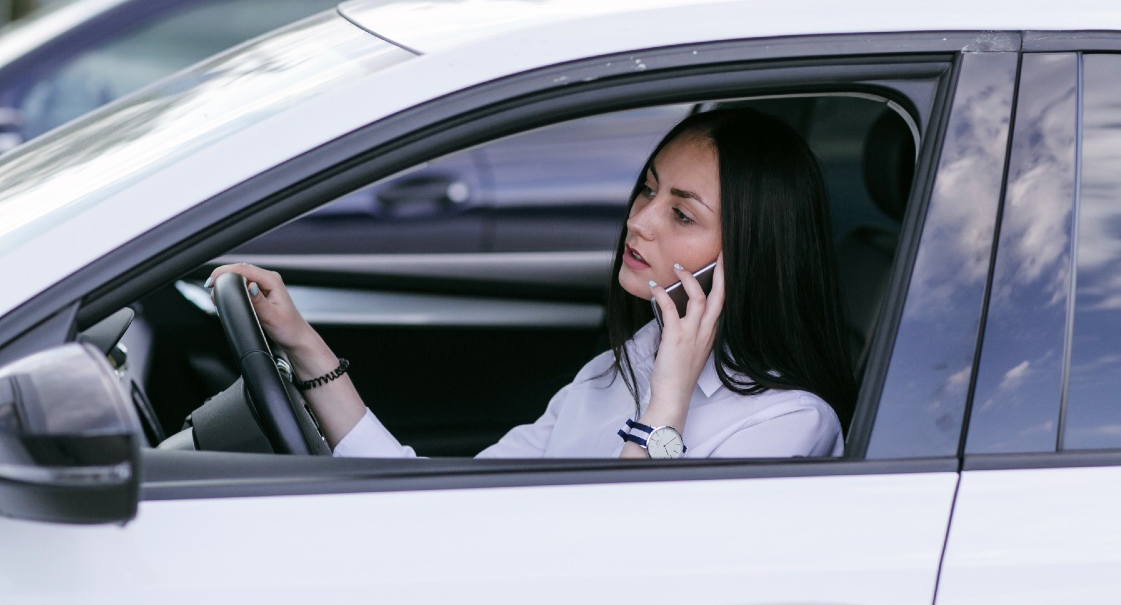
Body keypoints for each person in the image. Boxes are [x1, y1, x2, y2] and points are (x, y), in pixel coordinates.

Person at [207, 107, 858, 459]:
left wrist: (667, 406)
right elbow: (452, 504)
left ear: (752, 252)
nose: (639, 219)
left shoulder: (788, 424)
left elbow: (634, 562)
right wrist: (305, 348)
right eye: (648, 190)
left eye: (681, 214)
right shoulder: (622, 362)